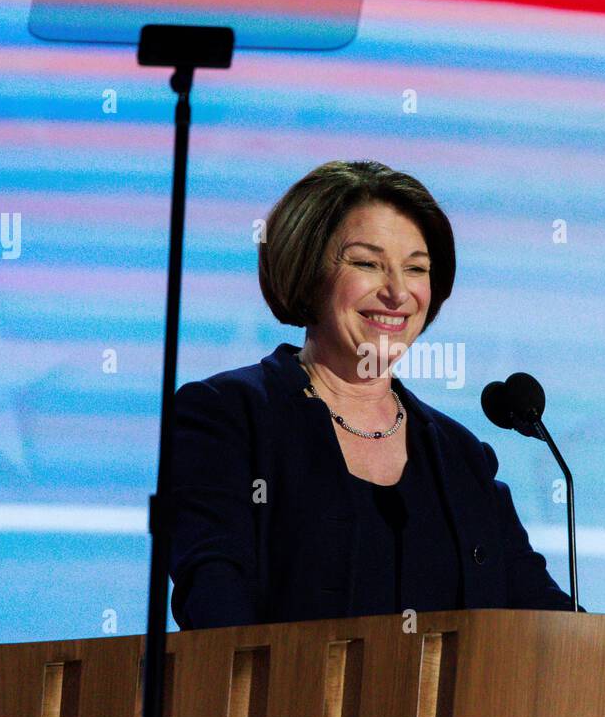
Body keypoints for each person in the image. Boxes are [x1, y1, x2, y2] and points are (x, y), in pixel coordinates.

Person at [169, 159, 579, 629]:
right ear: (307, 269)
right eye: (367, 263)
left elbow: (541, 615)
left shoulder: (459, 455)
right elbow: (215, 602)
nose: (398, 292)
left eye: (416, 268)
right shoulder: (227, 417)